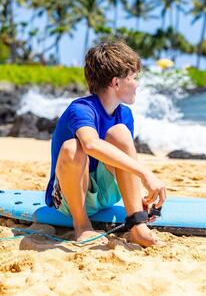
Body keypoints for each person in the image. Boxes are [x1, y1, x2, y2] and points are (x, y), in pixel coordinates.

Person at [45, 40, 167, 247]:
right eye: (133, 78)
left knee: (119, 133)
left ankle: (136, 225)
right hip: (68, 199)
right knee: (74, 147)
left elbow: (122, 159)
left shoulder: (124, 114)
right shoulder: (81, 109)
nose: (137, 84)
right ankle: (82, 225)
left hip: (106, 194)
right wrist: (145, 173)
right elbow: (91, 144)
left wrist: (139, 199)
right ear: (116, 82)